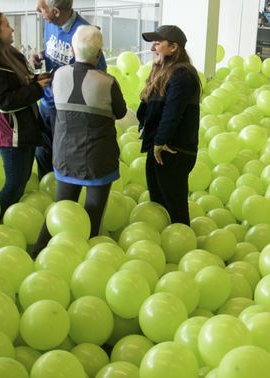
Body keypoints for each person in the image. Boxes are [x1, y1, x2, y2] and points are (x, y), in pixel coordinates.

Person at [32, 25, 126, 255]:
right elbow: (121, 112)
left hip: (65, 155)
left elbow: (51, 102)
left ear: (72, 50)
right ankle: (86, 257)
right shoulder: (109, 82)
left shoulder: (57, 76)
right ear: (99, 53)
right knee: (93, 215)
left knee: (61, 209)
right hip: (99, 160)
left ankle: (38, 252)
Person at [0, 12, 50, 223]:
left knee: (20, 182)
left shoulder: (10, 54)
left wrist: (36, 79)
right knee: (14, 185)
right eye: (6, 26)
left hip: (25, 129)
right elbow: (4, 102)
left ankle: (4, 222)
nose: (12, 29)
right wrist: (37, 88)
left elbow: (21, 82)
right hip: (10, 134)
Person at [33, 0, 107, 180]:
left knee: (61, 158)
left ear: (56, 11)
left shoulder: (85, 33)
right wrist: (41, 55)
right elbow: (56, 47)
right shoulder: (50, 23)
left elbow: (99, 72)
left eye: (42, 9)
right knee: (42, 152)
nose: (38, 12)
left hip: (65, 109)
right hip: (46, 101)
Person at [137, 25, 200, 226]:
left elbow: (172, 113)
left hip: (173, 151)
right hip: (158, 148)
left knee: (174, 205)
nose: (152, 48)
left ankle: (181, 243)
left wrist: (160, 141)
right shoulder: (163, 73)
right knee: (158, 203)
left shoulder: (183, 74)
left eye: (157, 43)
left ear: (173, 48)